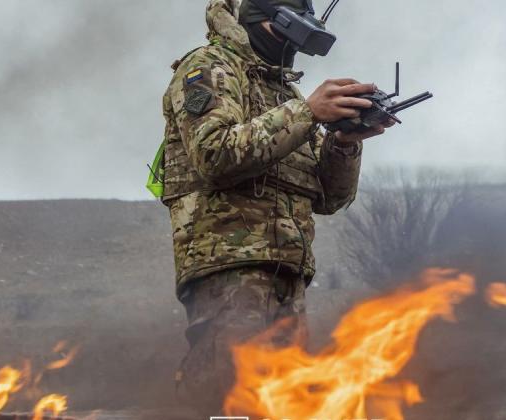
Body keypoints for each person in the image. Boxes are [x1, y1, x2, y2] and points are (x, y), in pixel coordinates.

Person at [158, 0, 393, 414]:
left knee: (282, 405)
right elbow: (214, 154)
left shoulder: (284, 93)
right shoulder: (208, 68)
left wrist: (344, 141)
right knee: (228, 398)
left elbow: (331, 198)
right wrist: (307, 112)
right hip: (230, 269)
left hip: (288, 274)